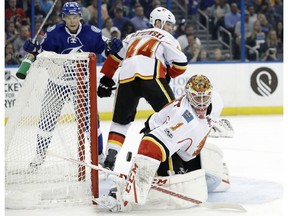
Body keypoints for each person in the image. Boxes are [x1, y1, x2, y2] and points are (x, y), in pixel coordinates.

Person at [97, 74, 228, 212]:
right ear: (188, 96)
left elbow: (200, 124)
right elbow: (150, 146)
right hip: (161, 136)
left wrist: (208, 128)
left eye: (205, 97)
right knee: (173, 182)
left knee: (205, 177)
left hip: (182, 147)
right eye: (196, 98)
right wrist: (136, 185)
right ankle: (120, 193)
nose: (201, 103)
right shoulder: (182, 119)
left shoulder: (216, 100)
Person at [22, 1, 123, 170]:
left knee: (91, 122)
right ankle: (39, 156)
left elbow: (108, 51)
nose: (72, 20)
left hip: (81, 84)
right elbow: (40, 52)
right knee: (47, 120)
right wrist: (32, 48)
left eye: (75, 17)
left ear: (80, 17)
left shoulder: (91, 33)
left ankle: (99, 155)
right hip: (57, 83)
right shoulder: (54, 33)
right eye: (68, 17)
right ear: (63, 18)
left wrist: (115, 46)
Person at [97, 6, 188, 170]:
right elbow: (181, 64)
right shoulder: (166, 37)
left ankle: (110, 161)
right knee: (172, 117)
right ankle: (176, 163)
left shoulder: (132, 36)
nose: (170, 28)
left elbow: (115, 56)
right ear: (158, 23)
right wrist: (168, 74)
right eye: (168, 24)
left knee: (120, 122)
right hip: (150, 76)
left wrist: (106, 77)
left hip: (126, 78)